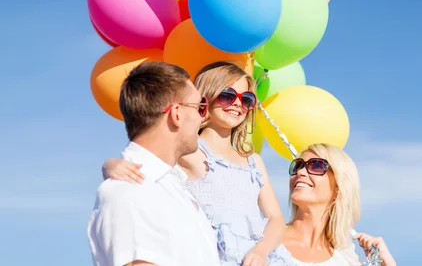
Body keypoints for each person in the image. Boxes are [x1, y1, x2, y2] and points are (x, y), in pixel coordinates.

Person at [102, 62, 293, 266]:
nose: (238, 104)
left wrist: (261, 252)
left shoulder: (253, 160)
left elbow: (276, 218)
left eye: (246, 99)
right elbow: (148, 160)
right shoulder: (191, 150)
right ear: (206, 98)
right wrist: (110, 165)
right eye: (228, 96)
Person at [87, 61, 220, 266]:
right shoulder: (131, 192)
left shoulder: (170, 187)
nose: (204, 116)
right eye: (200, 107)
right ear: (176, 114)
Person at [283, 143, 397, 266]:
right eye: (297, 166)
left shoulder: (346, 260)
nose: (300, 172)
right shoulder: (265, 238)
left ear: (339, 184)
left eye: (316, 165)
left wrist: (387, 263)